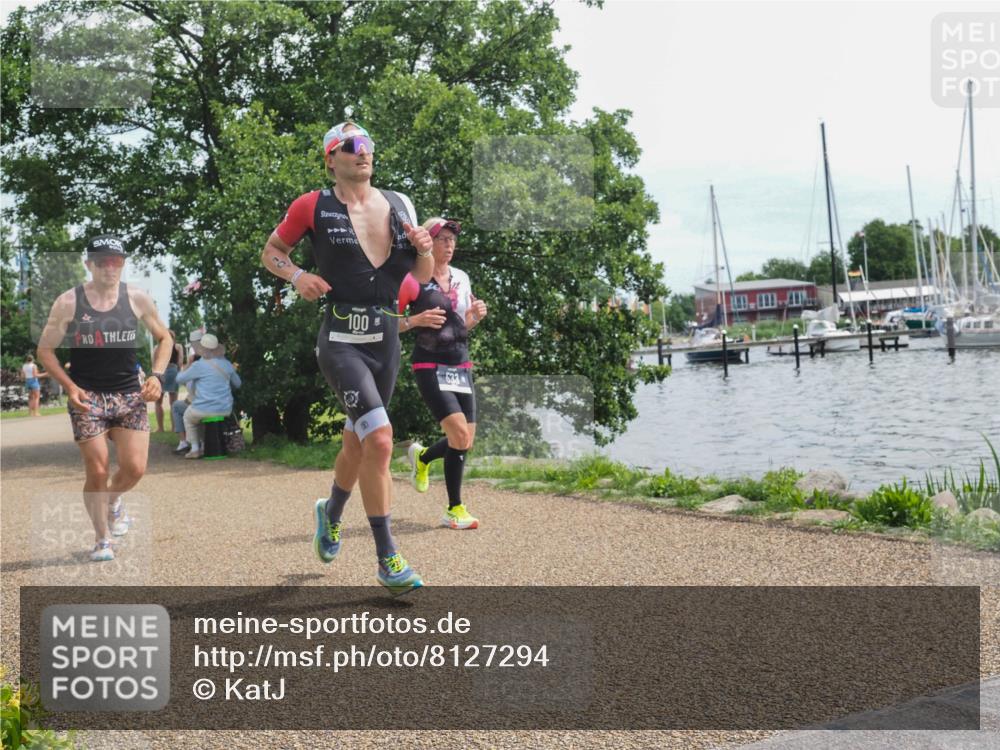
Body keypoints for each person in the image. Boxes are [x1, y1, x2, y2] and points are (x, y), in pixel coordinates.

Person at [260, 120, 433, 595]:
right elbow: (272, 251)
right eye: (352, 146)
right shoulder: (312, 205)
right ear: (330, 158)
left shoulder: (400, 204)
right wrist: (296, 276)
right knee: (379, 439)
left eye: (369, 145)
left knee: (358, 443)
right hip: (339, 337)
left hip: (385, 337)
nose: (364, 152)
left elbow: (422, 273)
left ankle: (330, 512)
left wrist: (424, 253)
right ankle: (387, 558)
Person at [36, 234, 173, 562]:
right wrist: (69, 387)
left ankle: (112, 501)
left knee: (135, 470)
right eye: (102, 261)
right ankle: (102, 538)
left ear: (123, 264)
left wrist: (156, 375)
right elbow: (45, 351)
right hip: (88, 397)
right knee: (97, 470)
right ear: (89, 265)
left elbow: (165, 338)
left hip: (130, 393)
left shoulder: (137, 298)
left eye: (116, 261)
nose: (110, 267)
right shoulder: (69, 302)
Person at [400, 218, 488, 530]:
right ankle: (455, 509)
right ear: (427, 241)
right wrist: (416, 319)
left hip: (460, 364)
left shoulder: (462, 277)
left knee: (465, 440)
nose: (449, 245)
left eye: (452, 240)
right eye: (443, 239)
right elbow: (387, 322)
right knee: (459, 435)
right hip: (429, 364)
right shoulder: (411, 278)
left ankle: (422, 458)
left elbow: (459, 326)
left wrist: (474, 318)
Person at [174, 333, 240, 458]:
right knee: (196, 416)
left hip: (204, 408)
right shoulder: (226, 363)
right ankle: (205, 445)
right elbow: (238, 384)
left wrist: (187, 365)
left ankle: (195, 449)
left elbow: (179, 379)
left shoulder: (199, 365)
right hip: (226, 409)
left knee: (189, 417)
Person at [154, 329, 185, 432]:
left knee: (158, 402)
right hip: (173, 371)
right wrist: (178, 372)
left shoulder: (157, 348)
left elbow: (154, 362)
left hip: (160, 373)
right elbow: (180, 362)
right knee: (173, 403)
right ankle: (173, 427)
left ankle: (160, 428)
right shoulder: (178, 346)